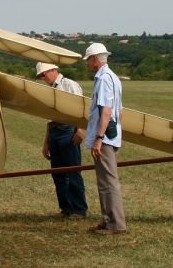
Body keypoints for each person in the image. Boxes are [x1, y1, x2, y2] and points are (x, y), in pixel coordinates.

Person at [83, 43, 127, 235]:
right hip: (111, 136)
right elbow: (121, 112)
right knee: (104, 180)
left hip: (105, 138)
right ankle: (107, 220)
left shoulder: (103, 79)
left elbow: (106, 111)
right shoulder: (114, 78)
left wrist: (99, 138)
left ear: (94, 59)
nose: (87, 64)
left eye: (88, 60)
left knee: (108, 181)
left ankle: (115, 224)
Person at [36, 62, 88, 219]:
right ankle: (66, 208)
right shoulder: (50, 89)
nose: (42, 78)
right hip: (54, 131)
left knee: (73, 171)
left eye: (43, 75)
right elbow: (49, 119)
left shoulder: (70, 85)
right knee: (57, 173)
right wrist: (46, 143)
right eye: (40, 76)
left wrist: (80, 129)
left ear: (53, 70)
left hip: (68, 130)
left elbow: (82, 108)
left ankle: (79, 209)